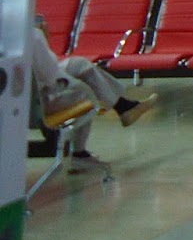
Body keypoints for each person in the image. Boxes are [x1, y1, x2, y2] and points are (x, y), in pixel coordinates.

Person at [29, 17, 154, 168]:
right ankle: (79, 153)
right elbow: (51, 77)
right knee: (88, 89)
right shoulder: (32, 35)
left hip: (23, 103)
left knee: (79, 64)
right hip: (40, 106)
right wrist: (44, 39)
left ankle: (124, 106)